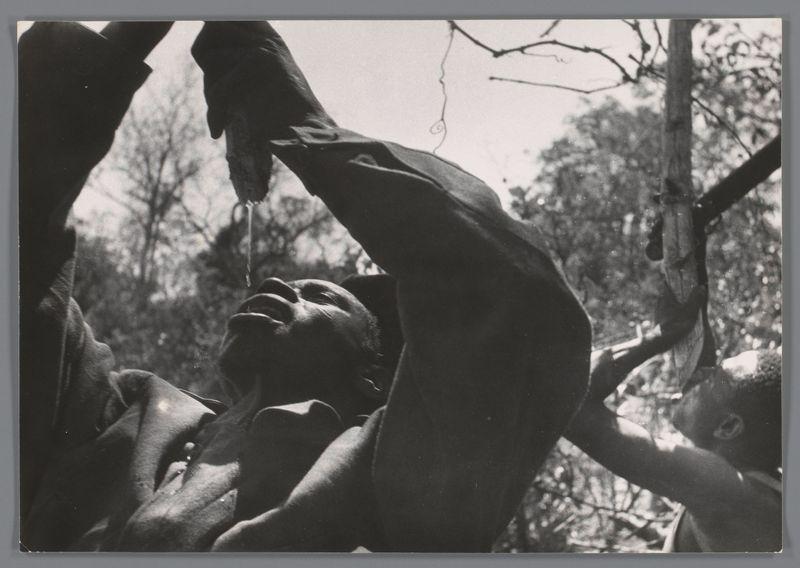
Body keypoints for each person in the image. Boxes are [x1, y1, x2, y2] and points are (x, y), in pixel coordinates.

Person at [19, 21, 592, 552]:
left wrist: (303, 127)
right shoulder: (126, 415)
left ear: (374, 376)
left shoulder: (391, 464)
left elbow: (513, 296)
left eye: (320, 297)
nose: (275, 283)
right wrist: (121, 45)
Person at [565, 295, 781, 552]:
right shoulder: (756, 488)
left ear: (728, 427)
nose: (701, 372)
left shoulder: (726, 492)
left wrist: (658, 337)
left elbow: (570, 397)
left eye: (715, 375)